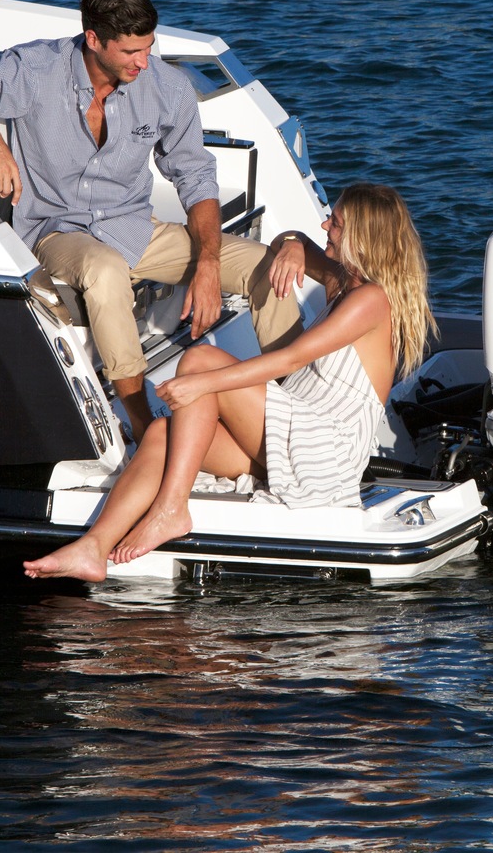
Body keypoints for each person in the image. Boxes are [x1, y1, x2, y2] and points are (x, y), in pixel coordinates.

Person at [0, 0, 301, 435]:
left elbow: (195, 177)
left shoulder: (168, 88)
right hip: (57, 231)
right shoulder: (35, 70)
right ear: (93, 39)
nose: (144, 62)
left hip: (133, 227)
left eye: (148, 47)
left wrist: (209, 262)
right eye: (131, 51)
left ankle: (298, 409)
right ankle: (142, 422)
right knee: (105, 269)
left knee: (265, 266)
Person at [23, 183, 436, 582]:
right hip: (293, 437)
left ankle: (171, 509)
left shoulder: (372, 300)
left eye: (337, 223)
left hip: (325, 450)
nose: (326, 225)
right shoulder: (342, 281)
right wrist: (293, 242)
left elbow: (291, 359)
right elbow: (289, 243)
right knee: (164, 434)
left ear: (364, 238)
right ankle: (93, 547)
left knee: (201, 361)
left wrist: (204, 385)